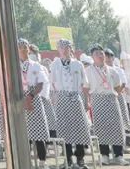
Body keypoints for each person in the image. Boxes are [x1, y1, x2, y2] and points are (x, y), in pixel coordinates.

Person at [50, 39, 92, 169]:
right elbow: (52, 84)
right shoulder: (55, 64)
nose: (64, 49)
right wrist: (54, 101)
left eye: (66, 47)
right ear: (58, 49)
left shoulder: (78, 64)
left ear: (70, 48)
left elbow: (85, 84)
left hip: (75, 96)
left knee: (80, 128)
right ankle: (68, 159)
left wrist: (86, 101)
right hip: (62, 97)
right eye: (61, 47)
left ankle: (80, 158)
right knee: (64, 128)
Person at [86, 45, 127, 166]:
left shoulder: (113, 70)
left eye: (102, 53)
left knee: (116, 127)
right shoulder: (88, 71)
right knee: (101, 127)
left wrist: (114, 94)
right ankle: (104, 155)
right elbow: (85, 87)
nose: (101, 55)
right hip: (97, 100)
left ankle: (118, 155)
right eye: (97, 54)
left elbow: (118, 87)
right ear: (92, 57)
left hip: (111, 99)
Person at [18, 39, 51, 164]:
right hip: (19, 97)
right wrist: (23, 99)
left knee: (39, 131)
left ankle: (42, 160)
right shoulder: (13, 64)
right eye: (20, 46)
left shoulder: (36, 65)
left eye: (25, 46)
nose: (23, 48)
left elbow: (41, 83)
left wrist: (30, 97)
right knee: (23, 131)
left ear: (29, 49)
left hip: (34, 97)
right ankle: (25, 160)